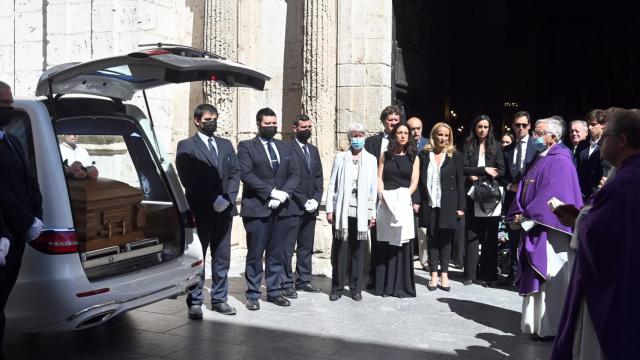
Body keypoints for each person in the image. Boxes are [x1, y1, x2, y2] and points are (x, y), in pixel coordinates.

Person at [552, 108, 640, 359]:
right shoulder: (627, 175)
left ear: (622, 141)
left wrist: (578, 219)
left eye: (606, 136)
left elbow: (602, 233)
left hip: (610, 289)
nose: (600, 141)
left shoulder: (625, 183)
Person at [507, 117, 583, 339]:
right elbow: (523, 186)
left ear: (553, 137)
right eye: (535, 133)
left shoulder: (561, 161)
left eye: (539, 133)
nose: (534, 137)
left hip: (551, 233)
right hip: (534, 227)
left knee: (552, 280)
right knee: (540, 281)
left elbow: (554, 195)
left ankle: (552, 328)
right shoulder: (540, 158)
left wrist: (528, 214)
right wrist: (518, 210)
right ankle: (536, 326)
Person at [175, 104, 240, 318]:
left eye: (214, 119)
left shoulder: (225, 144)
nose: (211, 123)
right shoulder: (186, 146)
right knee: (198, 257)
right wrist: (213, 199)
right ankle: (195, 301)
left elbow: (234, 173)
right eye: (207, 120)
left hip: (224, 210)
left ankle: (220, 299)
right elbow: (188, 179)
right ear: (197, 121)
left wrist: (228, 199)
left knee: (222, 257)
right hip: (201, 209)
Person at [238, 107, 299, 310]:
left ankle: (274, 291)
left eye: (274, 124)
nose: (272, 127)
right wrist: (270, 192)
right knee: (256, 253)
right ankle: (253, 294)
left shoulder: (285, 147)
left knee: (277, 252)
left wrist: (283, 195)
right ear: (258, 124)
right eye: (267, 124)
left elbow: (294, 175)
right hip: (257, 209)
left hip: (281, 208)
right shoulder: (247, 146)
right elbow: (246, 174)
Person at [0, 81, 43, 359]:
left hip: (16, 236)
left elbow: (30, 183)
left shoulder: (11, 140)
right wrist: (25, 221)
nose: (8, 109)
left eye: (10, 102)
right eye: (2, 104)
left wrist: (36, 218)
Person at [325, 122, 377, 301]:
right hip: (342, 208)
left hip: (362, 209)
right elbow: (332, 184)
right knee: (341, 249)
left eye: (360, 135)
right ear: (349, 138)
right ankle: (337, 287)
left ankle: (355, 288)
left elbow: (373, 189)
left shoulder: (371, 159)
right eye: (354, 135)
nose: (357, 138)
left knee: (358, 250)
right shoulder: (340, 158)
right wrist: (329, 209)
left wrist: (373, 214)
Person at [418, 122, 465, 292]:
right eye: (440, 134)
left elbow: (460, 182)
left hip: (449, 204)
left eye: (446, 135)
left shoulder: (455, 156)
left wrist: (461, 206)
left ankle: (444, 274)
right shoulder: (425, 155)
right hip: (430, 203)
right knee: (432, 238)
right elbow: (419, 181)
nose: (443, 138)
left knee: (445, 240)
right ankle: (433, 274)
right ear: (434, 135)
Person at [374, 123, 419, 297]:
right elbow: (380, 177)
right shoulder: (385, 155)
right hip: (386, 202)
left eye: (405, 133)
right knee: (386, 242)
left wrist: (405, 196)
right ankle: (384, 286)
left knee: (402, 243)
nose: (402, 135)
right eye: (399, 132)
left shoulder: (414, 156)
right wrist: (382, 194)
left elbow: (414, 181)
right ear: (394, 135)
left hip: (403, 201)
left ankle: (400, 286)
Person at [281, 114, 323, 297]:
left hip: (310, 208)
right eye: (303, 127)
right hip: (293, 206)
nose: (307, 130)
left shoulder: (313, 150)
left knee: (306, 246)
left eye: (309, 127)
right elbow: (287, 178)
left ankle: (304, 280)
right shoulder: (286, 148)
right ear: (295, 128)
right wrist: (302, 200)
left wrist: (316, 198)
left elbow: (318, 177)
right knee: (288, 247)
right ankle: (286, 282)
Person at [462, 115, 505, 286]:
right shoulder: (467, 145)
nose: (482, 130)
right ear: (475, 127)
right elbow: (463, 167)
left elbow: (501, 170)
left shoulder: (496, 146)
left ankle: (488, 274)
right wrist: (483, 169)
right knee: (471, 232)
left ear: (489, 128)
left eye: (485, 127)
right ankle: (470, 274)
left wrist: (481, 172)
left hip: (489, 194)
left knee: (490, 235)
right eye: (479, 126)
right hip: (472, 193)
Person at [364, 105, 402, 287]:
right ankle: (376, 276)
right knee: (377, 236)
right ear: (384, 122)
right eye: (390, 120)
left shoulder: (404, 141)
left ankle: (392, 277)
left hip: (397, 195)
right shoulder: (372, 142)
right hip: (376, 195)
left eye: (396, 120)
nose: (394, 123)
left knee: (396, 236)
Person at [499, 111, 537, 285]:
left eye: (524, 125)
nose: (520, 128)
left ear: (529, 126)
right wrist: (509, 186)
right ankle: (513, 274)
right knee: (514, 238)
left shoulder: (537, 148)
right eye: (517, 125)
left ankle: (528, 274)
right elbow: (502, 174)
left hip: (531, 201)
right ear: (512, 126)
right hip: (513, 200)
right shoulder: (507, 150)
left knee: (530, 237)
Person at [576, 109, 612, 200]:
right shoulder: (582, 144)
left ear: (603, 125)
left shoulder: (607, 144)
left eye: (593, 124)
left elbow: (606, 171)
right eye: (588, 124)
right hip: (581, 194)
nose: (589, 128)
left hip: (597, 195)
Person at [407, 116, 428, 269]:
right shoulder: (403, 144)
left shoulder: (429, 144)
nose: (415, 131)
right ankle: (407, 259)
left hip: (425, 192)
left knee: (423, 230)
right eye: (412, 128)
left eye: (418, 128)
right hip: (407, 191)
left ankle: (424, 260)